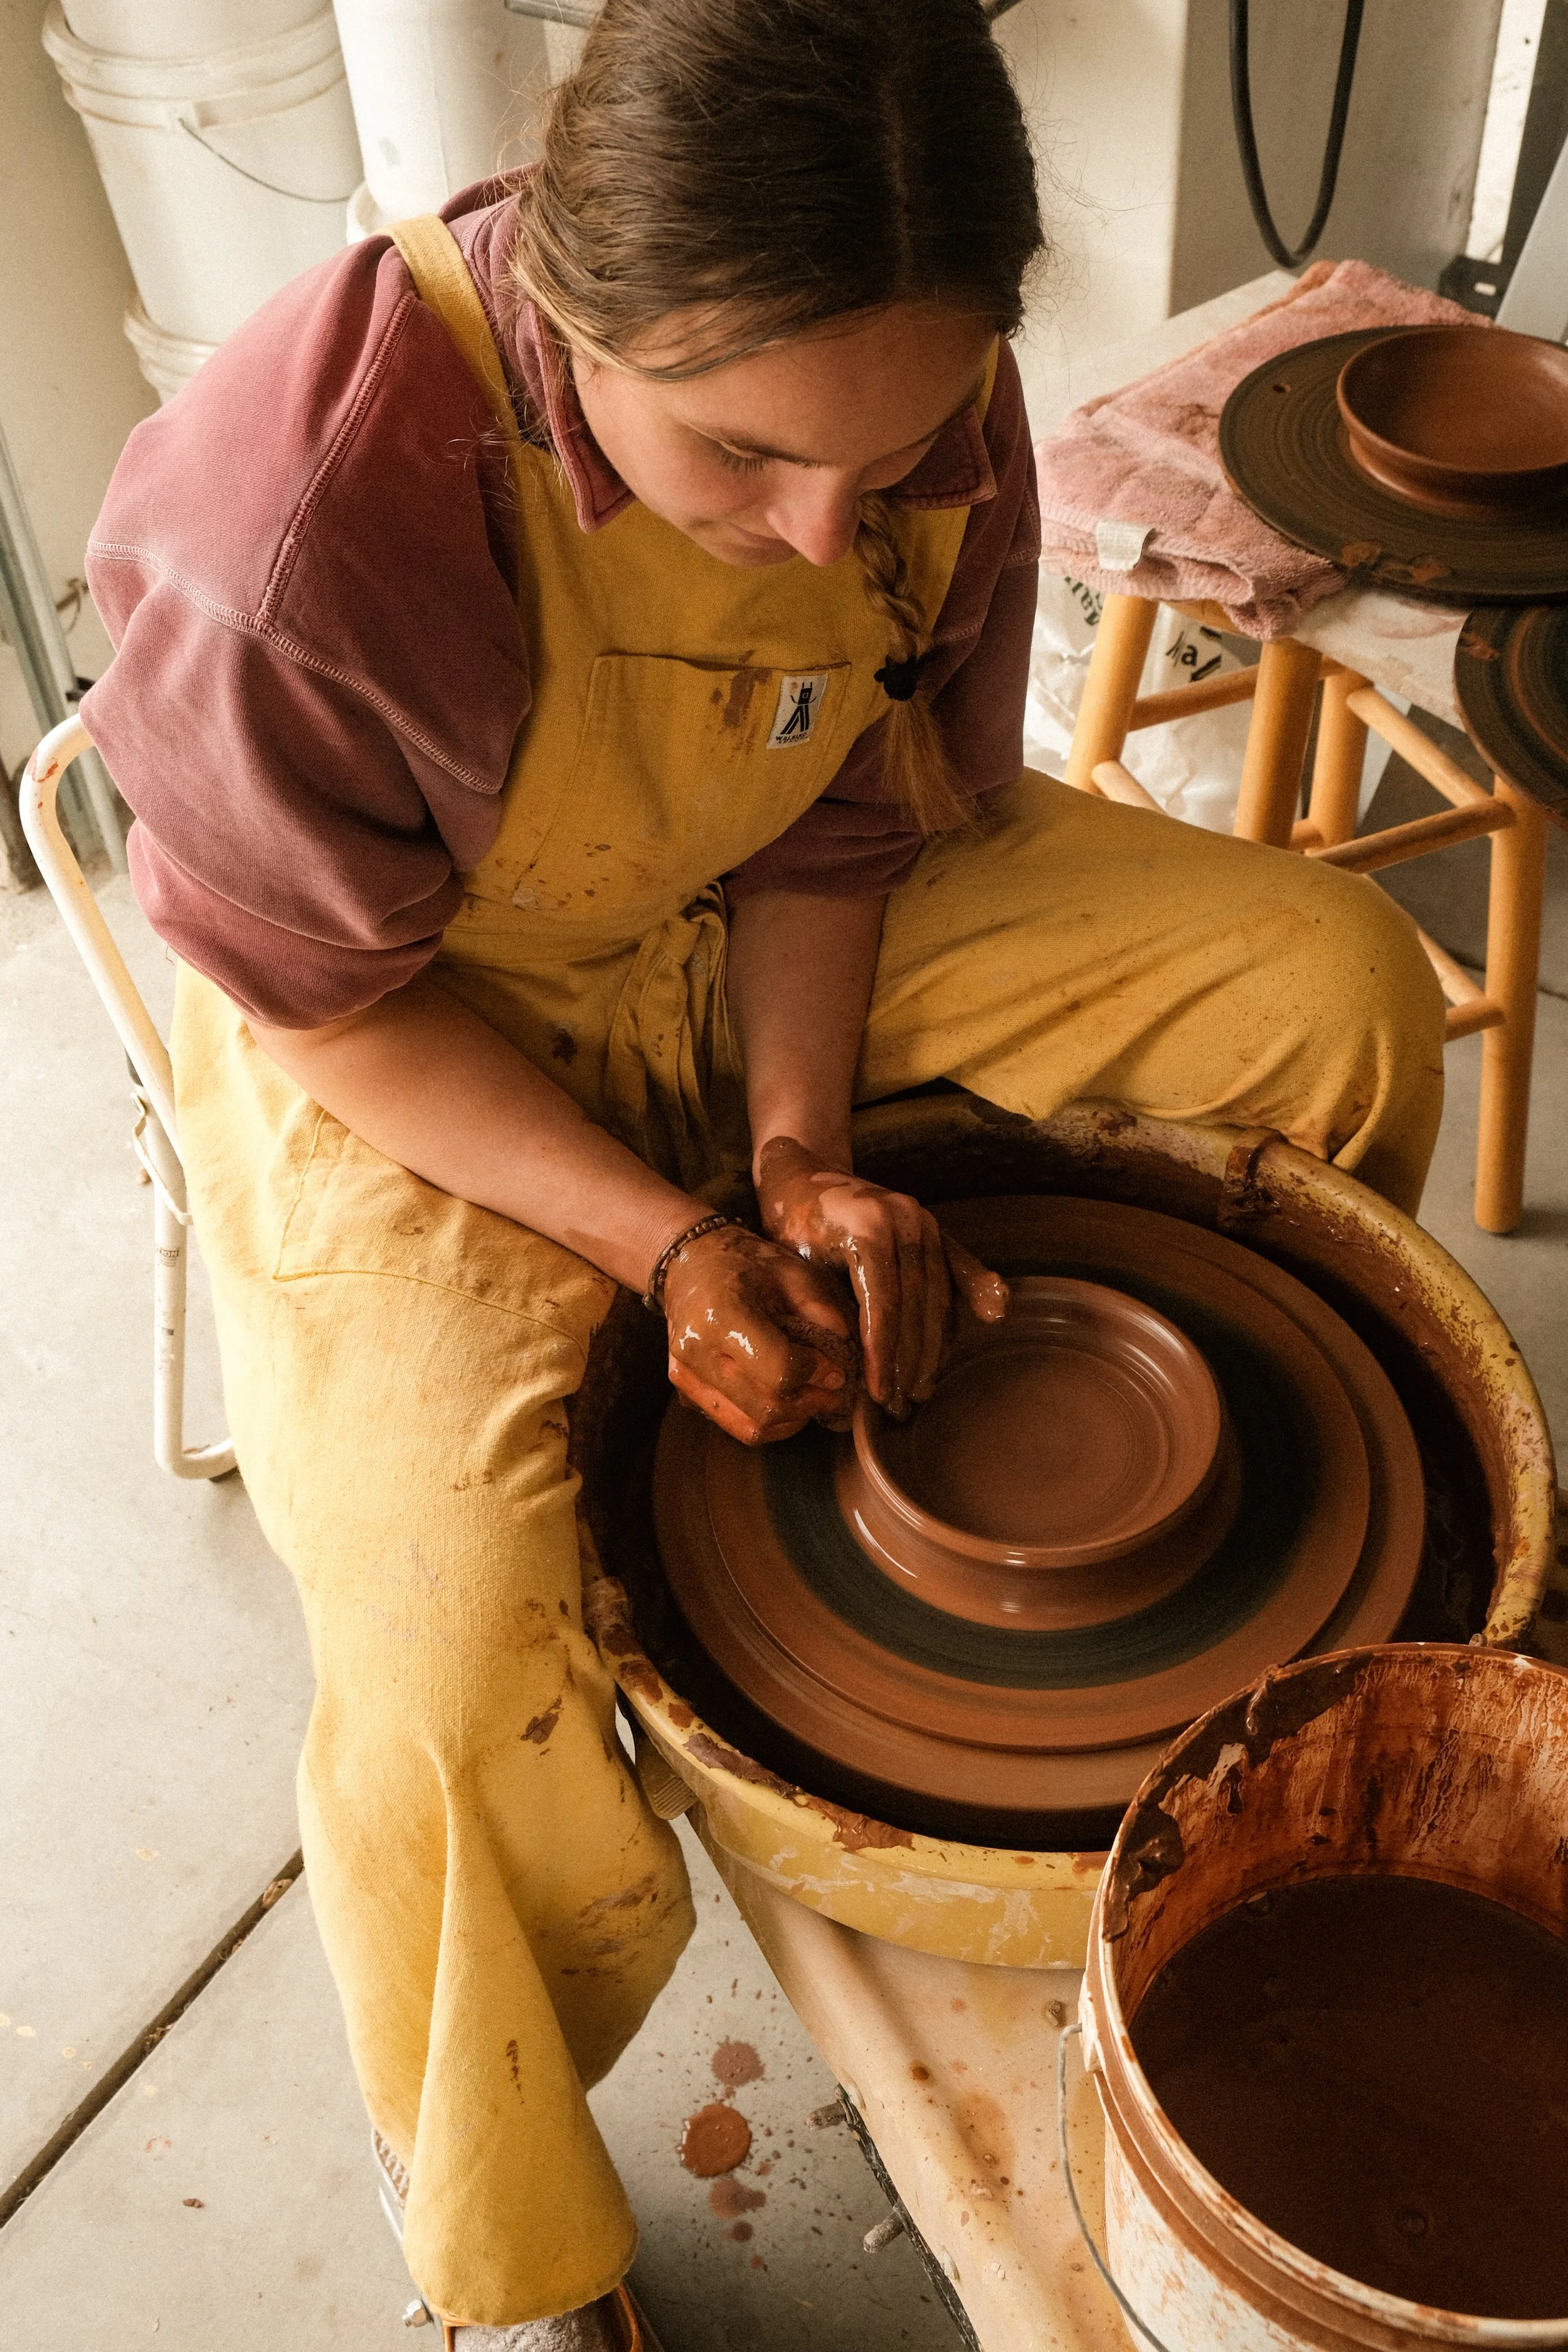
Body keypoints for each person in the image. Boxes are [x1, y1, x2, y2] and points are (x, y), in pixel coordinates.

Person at [81, 0, 1445, 2342]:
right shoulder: (303, 518)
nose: (832, 527)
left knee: (1328, 988)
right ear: (572, 309)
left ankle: (1235, 1649)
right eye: (734, 457)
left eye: (891, 456)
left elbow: (841, 787)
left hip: (744, 907)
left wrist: (799, 1151)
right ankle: (510, 2235)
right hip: (420, 1020)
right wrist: (669, 1238)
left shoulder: (891, 390)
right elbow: (330, 1000)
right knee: (434, 1635)